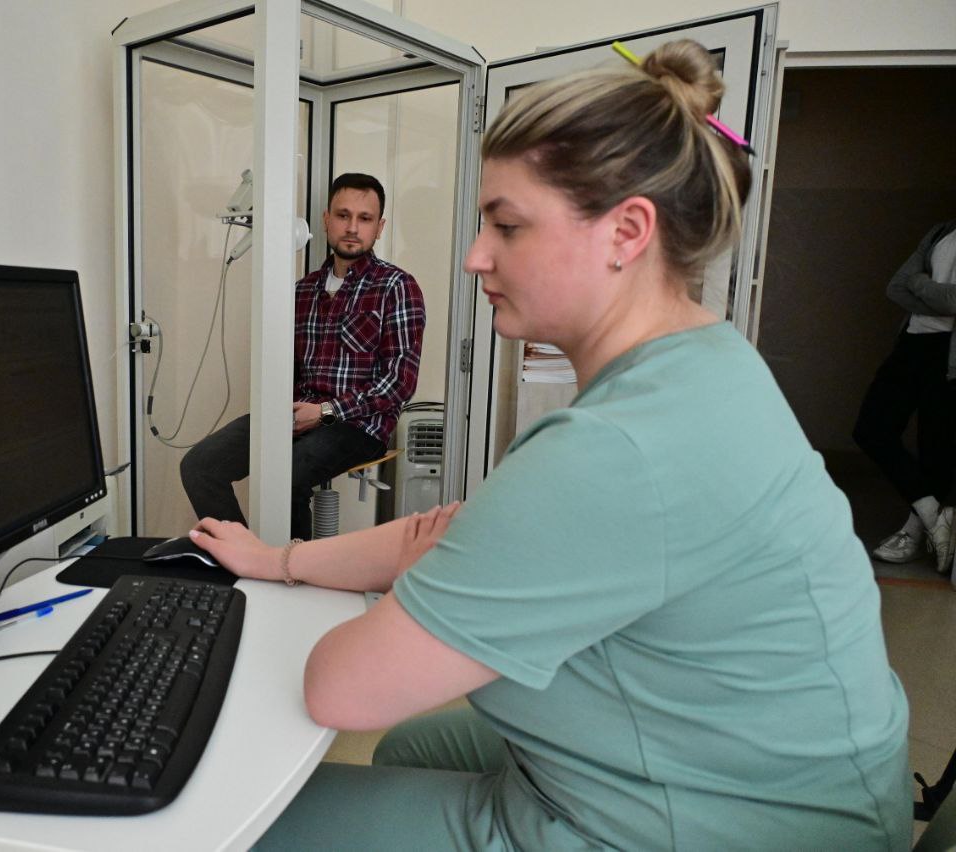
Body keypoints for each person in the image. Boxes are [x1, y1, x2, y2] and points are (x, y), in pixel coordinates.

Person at [185, 40, 912, 850]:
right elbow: (454, 534)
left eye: (507, 225)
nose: (475, 256)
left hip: (716, 822)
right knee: (413, 747)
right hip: (775, 768)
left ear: (626, 232)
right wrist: (278, 560)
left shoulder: (617, 447)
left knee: (253, 828)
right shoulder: (706, 361)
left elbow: (341, 689)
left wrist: (429, 561)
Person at [180, 173, 425, 540]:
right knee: (200, 465)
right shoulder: (302, 290)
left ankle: (288, 568)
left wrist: (324, 411)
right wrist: (282, 409)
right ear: (326, 220)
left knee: (285, 475)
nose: (352, 228)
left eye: (365, 218)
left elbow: (399, 383)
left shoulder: (397, 286)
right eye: (343, 215)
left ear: (379, 227)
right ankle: (241, 556)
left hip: (359, 424)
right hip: (297, 413)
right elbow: (286, 368)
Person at [853, 219, 956, 572]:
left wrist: (920, 284)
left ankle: (913, 534)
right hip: (912, 342)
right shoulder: (941, 231)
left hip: (948, 354)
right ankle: (935, 519)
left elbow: (951, 299)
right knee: (871, 429)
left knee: (935, 447)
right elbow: (896, 286)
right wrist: (935, 295)